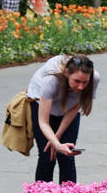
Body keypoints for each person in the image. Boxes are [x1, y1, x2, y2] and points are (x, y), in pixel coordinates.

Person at [25, 54, 99, 183]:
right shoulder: (51, 80)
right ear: (66, 73)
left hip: (68, 109)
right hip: (42, 105)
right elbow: (43, 122)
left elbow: (75, 108)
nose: (81, 87)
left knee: (67, 155)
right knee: (47, 155)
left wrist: (57, 137)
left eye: (85, 82)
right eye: (77, 81)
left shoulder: (94, 78)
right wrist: (56, 144)